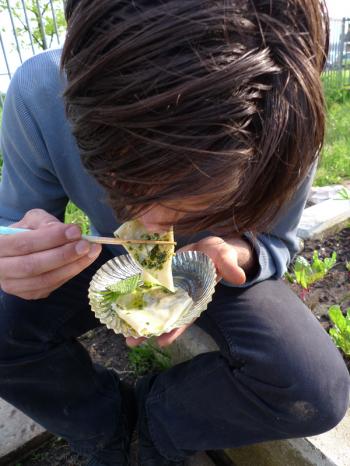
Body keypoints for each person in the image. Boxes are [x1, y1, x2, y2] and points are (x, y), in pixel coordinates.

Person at [0, 1, 349, 465]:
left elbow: (276, 242)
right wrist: (17, 252)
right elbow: (15, 220)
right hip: (107, 255)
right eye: (125, 189)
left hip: (218, 267)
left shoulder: (284, 118)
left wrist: (235, 251)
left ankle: (155, 427)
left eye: (189, 207)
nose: (152, 227)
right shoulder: (41, 93)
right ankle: (104, 429)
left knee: (313, 387)